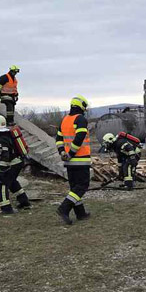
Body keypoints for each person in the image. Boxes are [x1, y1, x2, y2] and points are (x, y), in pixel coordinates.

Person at [55, 95, 92, 225]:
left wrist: (62, 152)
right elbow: (80, 137)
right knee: (82, 186)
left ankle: (80, 213)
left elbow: (58, 139)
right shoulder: (80, 119)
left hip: (69, 161)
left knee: (75, 187)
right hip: (80, 159)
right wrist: (70, 153)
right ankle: (64, 208)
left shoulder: (65, 120)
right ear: (81, 106)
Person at [0, 114, 31, 214]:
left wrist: (1, 170)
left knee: (2, 184)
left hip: (12, 163)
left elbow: (5, 156)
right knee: (12, 181)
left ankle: (6, 209)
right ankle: (24, 202)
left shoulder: (0, 139)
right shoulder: (9, 133)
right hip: (19, 161)